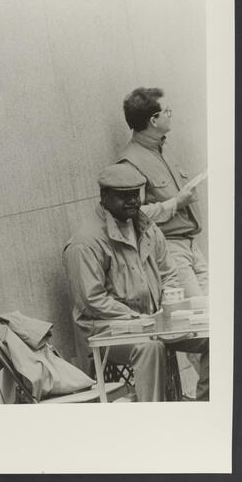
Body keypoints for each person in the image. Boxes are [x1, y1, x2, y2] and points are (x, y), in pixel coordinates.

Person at [63, 164, 208, 401]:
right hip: (107, 330)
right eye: (124, 196)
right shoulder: (85, 242)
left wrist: (167, 305)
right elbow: (92, 300)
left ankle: (204, 407)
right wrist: (138, 318)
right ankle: (150, 418)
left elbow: (169, 273)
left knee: (215, 335)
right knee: (150, 347)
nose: (133, 201)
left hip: (153, 322)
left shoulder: (147, 227)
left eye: (135, 194)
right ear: (104, 197)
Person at [118, 87, 208, 298]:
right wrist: (176, 203)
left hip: (191, 244)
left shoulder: (163, 149)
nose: (170, 114)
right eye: (167, 111)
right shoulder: (130, 162)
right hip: (169, 248)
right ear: (153, 120)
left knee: (216, 308)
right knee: (196, 310)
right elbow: (133, 215)